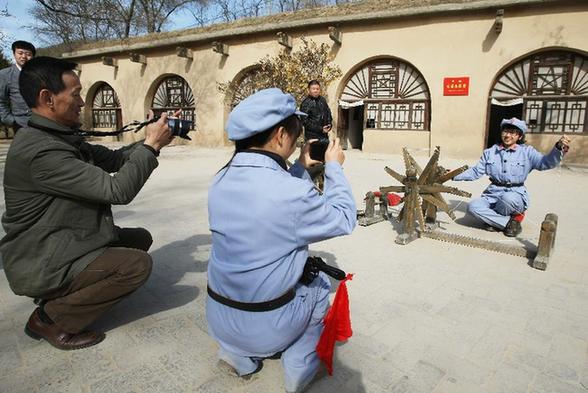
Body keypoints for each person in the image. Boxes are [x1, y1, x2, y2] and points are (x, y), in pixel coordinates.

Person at [0, 56, 174, 350]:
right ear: (48, 99)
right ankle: (50, 318)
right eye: (76, 93)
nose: (82, 102)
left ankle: (64, 293)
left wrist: (150, 137)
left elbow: (116, 159)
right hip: (42, 258)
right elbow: (117, 190)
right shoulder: (42, 151)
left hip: (62, 239)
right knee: (135, 265)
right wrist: (151, 146)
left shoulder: (56, 137)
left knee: (139, 239)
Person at [206, 88, 356, 393]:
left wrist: (300, 167)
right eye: (295, 131)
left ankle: (239, 359)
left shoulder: (220, 180)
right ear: (279, 135)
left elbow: (277, 202)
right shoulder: (290, 193)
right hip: (266, 327)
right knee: (320, 286)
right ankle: (300, 368)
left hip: (219, 319)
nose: (297, 138)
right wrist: (336, 167)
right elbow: (343, 218)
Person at [453, 117, 571, 237]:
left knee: (507, 199)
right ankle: (510, 222)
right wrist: (452, 174)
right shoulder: (489, 152)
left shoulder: (527, 152)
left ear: (519, 136)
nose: (508, 135)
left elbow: (545, 163)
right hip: (492, 194)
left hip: (515, 194)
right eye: (505, 131)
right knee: (472, 207)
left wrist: (558, 148)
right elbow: (475, 172)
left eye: (513, 133)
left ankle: (496, 220)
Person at [0, 40, 36, 133]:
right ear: (14, 54)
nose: (24, 56)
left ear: (32, 56)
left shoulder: (39, 73)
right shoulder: (5, 74)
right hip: (20, 123)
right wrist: (10, 120)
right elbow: (1, 101)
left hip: (42, 121)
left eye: (28, 54)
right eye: (20, 53)